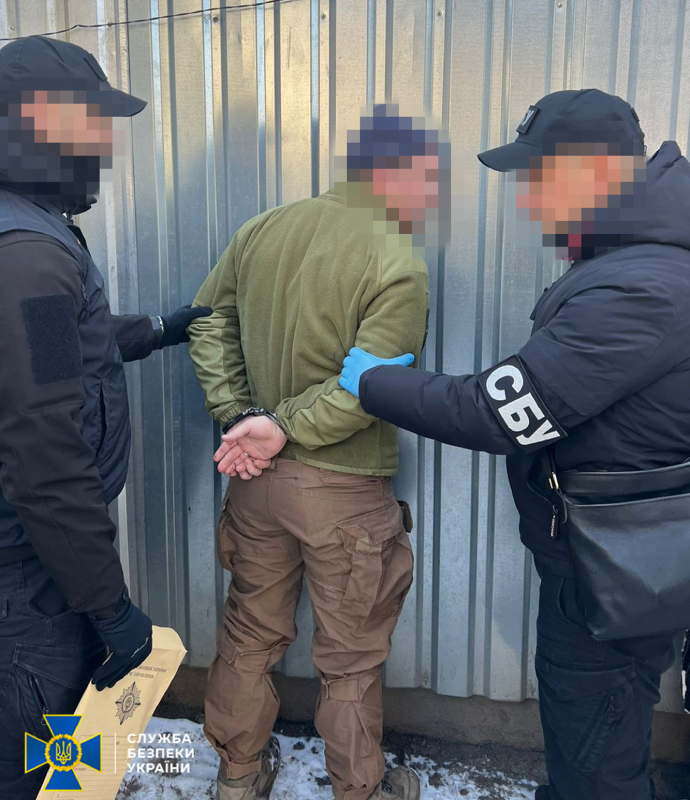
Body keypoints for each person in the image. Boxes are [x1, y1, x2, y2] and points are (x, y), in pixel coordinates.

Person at [338, 89, 687, 800]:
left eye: (535, 178)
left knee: (594, 765)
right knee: (593, 740)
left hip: (612, 579)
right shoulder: (636, 262)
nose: (527, 200)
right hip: (614, 565)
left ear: (591, 171)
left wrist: (374, 382)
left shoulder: (641, 286)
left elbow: (501, 412)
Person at [188, 105, 445, 800]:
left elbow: (206, 323)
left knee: (249, 632)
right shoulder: (397, 259)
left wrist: (239, 415)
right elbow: (371, 388)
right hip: (345, 493)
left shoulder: (262, 229)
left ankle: (237, 778)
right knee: (351, 657)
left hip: (256, 481)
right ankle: (361, 790)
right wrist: (274, 422)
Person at [0, 36, 211, 799]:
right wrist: (106, 604)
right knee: (34, 760)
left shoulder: (24, 230)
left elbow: (56, 349)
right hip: (28, 574)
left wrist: (158, 328)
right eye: (90, 124)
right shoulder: (28, 254)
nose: (102, 145)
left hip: (32, 559)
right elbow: (45, 452)